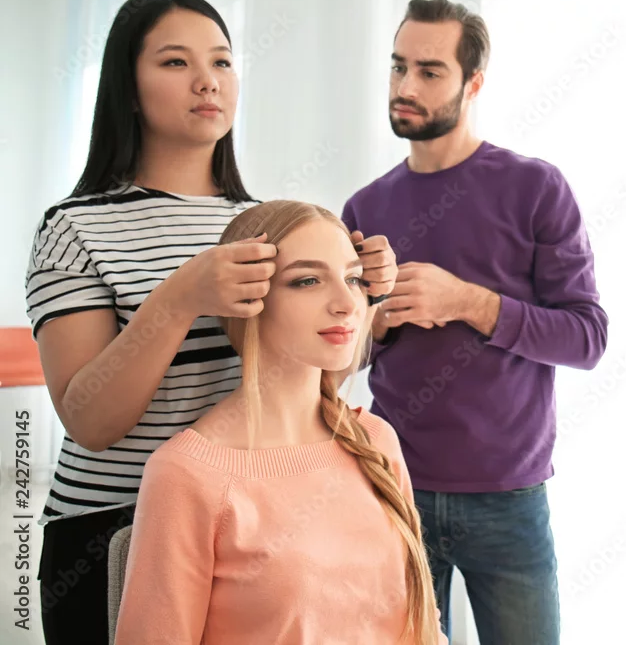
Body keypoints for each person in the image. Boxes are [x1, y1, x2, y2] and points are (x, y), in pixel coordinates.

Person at [25, 0, 396, 645]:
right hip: (111, 529)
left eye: (222, 61)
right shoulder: (75, 228)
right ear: (127, 89)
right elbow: (90, 421)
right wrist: (178, 299)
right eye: (176, 62)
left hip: (252, 514)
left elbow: (313, 375)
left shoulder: (267, 222)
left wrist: (364, 299)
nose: (208, 80)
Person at [341, 0, 609, 644]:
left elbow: (587, 337)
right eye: (398, 66)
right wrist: (374, 323)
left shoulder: (536, 188)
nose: (405, 86)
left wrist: (467, 301)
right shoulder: (363, 208)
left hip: (510, 499)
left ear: (474, 82)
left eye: (430, 71)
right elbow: (339, 357)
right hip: (393, 487)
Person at [114, 201, 446, 645]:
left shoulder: (376, 440)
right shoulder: (187, 475)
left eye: (352, 279)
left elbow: (421, 626)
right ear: (246, 301)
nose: (346, 304)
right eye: (307, 281)